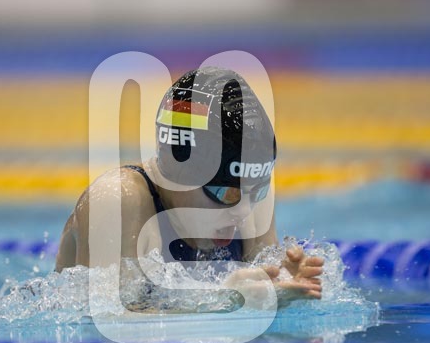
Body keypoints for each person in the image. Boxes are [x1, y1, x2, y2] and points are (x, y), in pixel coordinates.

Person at [56, 67, 323, 308]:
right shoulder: (118, 201)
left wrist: (283, 289)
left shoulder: (249, 196)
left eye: (258, 191)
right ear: (178, 174)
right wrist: (226, 300)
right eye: (225, 193)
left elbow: (262, 308)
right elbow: (109, 324)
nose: (243, 212)